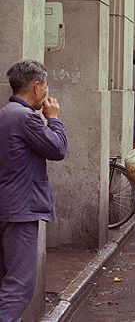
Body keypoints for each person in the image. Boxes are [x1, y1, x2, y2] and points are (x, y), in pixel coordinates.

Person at [0, 60, 68, 319]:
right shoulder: (27, 118)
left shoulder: (6, 113)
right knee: (20, 284)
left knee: (7, 280)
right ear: (37, 87)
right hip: (21, 209)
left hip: (9, 205)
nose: (47, 92)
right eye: (46, 85)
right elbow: (58, 149)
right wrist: (54, 120)